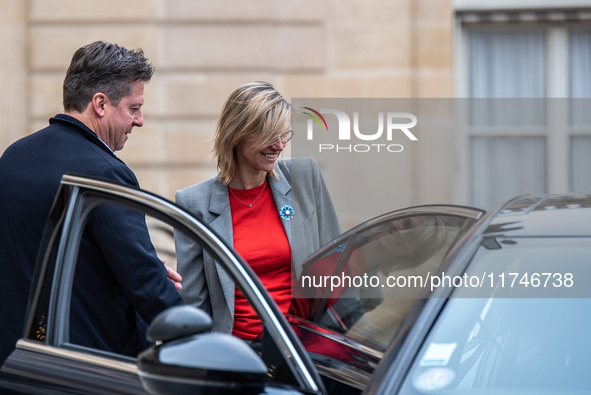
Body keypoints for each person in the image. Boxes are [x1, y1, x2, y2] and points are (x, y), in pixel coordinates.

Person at [0, 41, 184, 365]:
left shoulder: (13, 156)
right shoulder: (105, 172)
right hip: (80, 368)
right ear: (100, 103)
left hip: (13, 361)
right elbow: (146, 284)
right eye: (134, 108)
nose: (139, 120)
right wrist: (199, 335)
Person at [174, 81, 341, 340]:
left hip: (303, 348)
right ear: (238, 135)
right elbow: (194, 300)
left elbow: (337, 268)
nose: (280, 146)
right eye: (269, 136)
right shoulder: (193, 203)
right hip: (238, 354)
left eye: (284, 134)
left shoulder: (304, 178)